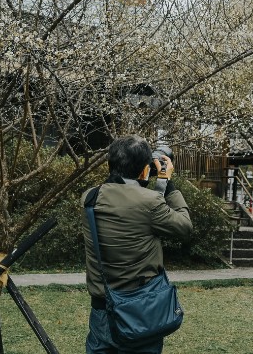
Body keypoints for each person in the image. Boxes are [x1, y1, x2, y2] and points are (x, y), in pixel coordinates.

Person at [81, 136, 192, 354]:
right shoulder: (149, 202)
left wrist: (142, 176)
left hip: (102, 310)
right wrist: (167, 184)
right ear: (144, 170)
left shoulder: (90, 197)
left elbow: (125, 198)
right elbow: (184, 227)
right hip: (141, 310)